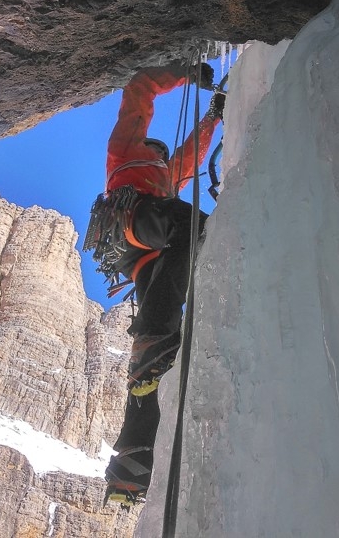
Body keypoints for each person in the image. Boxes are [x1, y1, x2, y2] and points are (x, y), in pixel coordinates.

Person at [83, 62, 225, 507]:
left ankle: (133, 461)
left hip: (140, 255)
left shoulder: (166, 171)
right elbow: (139, 90)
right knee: (191, 225)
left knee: (160, 336)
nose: (163, 154)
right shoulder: (125, 151)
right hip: (133, 219)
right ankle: (154, 344)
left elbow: (192, 154)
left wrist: (215, 114)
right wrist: (186, 75)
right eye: (158, 149)